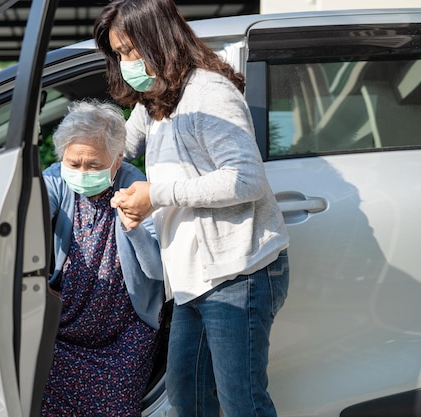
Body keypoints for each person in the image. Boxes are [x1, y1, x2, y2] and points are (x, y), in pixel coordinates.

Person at [94, 1, 290, 416]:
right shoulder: (155, 100)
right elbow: (118, 150)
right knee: (188, 400)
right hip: (192, 279)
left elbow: (245, 179)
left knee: (243, 404)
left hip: (238, 273)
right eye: (119, 54)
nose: (127, 62)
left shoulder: (208, 92)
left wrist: (157, 195)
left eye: (130, 49)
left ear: (157, 39)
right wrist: (71, 169)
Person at [40, 99, 165, 417]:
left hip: (124, 334)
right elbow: (34, 213)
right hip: (64, 332)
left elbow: (156, 271)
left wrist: (134, 227)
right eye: (74, 163)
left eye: (93, 165)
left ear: (117, 160)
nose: (81, 173)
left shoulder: (134, 184)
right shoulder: (56, 178)